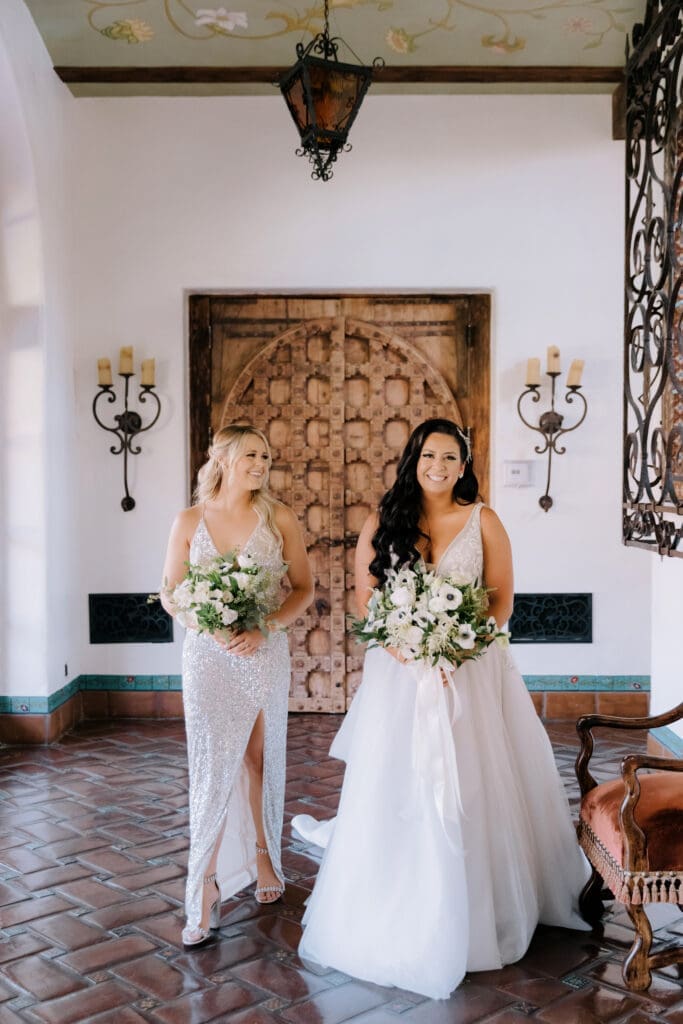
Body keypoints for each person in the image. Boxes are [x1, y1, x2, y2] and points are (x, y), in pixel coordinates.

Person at [292, 418, 590, 999]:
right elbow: (367, 601)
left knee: (475, 781)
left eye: (450, 458)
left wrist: (456, 647)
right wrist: (409, 650)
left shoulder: (484, 520)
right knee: (398, 781)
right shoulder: (383, 520)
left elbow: (501, 601)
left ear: (464, 465)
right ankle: (402, 895)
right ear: (414, 459)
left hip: (471, 671)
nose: (439, 466)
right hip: (400, 675)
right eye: (430, 455)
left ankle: (481, 905)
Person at [161, 424, 314, 950]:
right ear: (222, 458)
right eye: (251, 454)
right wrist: (207, 625)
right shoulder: (188, 520)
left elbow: (303, 589)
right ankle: (205, 885)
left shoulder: (279, 518)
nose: (261, 464)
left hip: (263, 652)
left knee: (258, 758)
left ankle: (265, 857)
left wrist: (265, 627)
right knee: (211, 766)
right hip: (208, 656)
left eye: (265, 456)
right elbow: (171, 593)